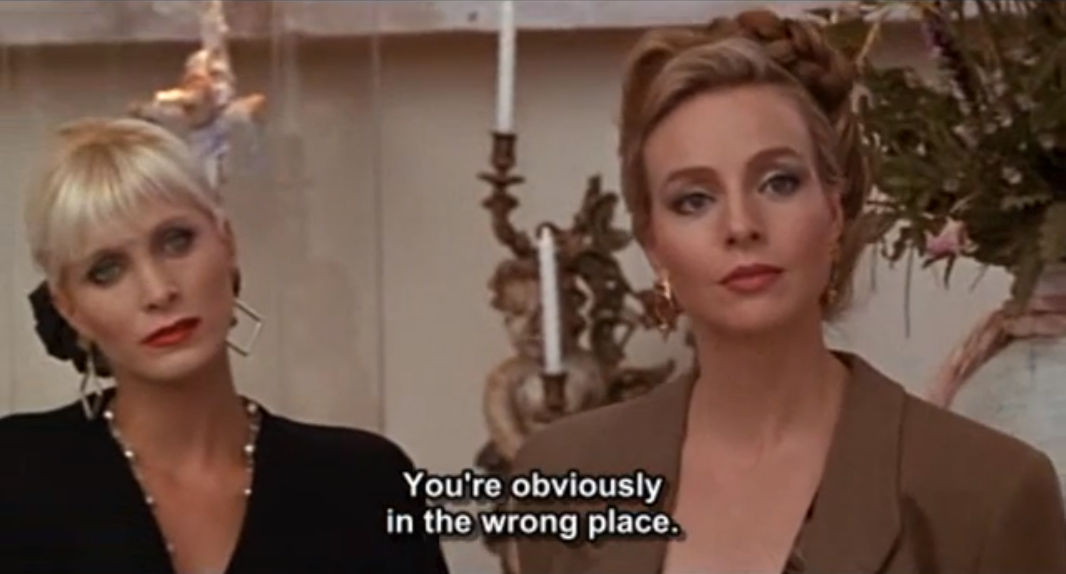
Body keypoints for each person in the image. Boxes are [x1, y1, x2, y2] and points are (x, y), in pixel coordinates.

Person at [509, 10, 1066, 574]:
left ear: (834, 210)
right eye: (694, 199)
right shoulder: (559, 477)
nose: (741, 225)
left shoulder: (990, 493)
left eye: (779, 182)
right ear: (654, 244)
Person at [0, 117, 450, 574]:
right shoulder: (15, 474)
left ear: (227, 244)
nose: (158, 291)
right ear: (69, 308)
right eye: (107, 270)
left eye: (176, 242)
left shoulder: (366, 482)